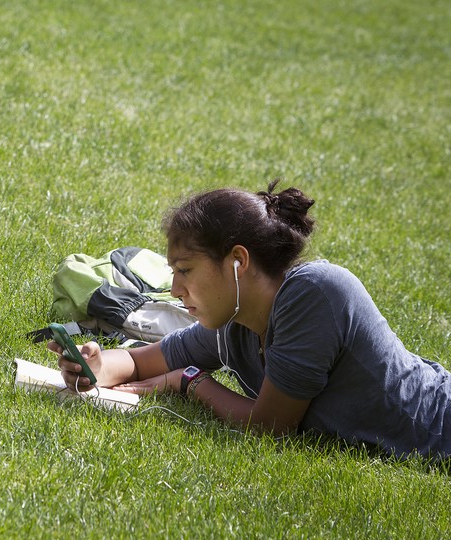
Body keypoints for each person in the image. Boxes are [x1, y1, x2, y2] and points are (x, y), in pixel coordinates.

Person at [51, 180, 451, 460]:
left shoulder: (315, 292)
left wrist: (190, 382)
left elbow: (270, 427)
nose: (174, 289)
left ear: (237, 262)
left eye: (185, 270)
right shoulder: (233, 320)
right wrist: (95, 366)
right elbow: (140, 361)